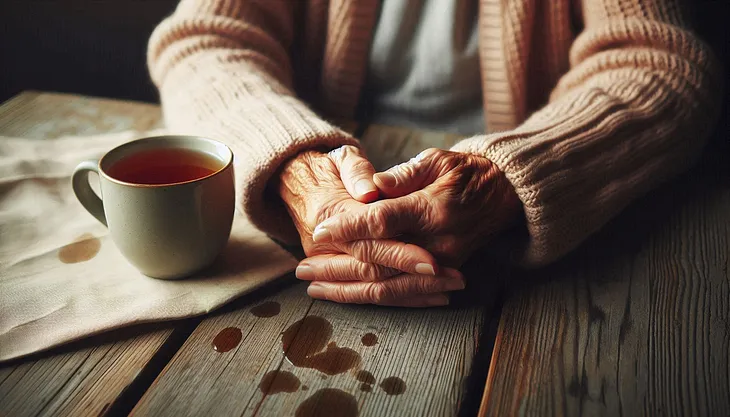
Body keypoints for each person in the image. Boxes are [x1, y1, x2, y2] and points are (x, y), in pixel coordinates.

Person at [147, 0, 721, 307]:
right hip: (311, 251)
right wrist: (297, 169)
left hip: (538, 278)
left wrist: (507, 180)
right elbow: (209, 40)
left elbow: (659, 66)